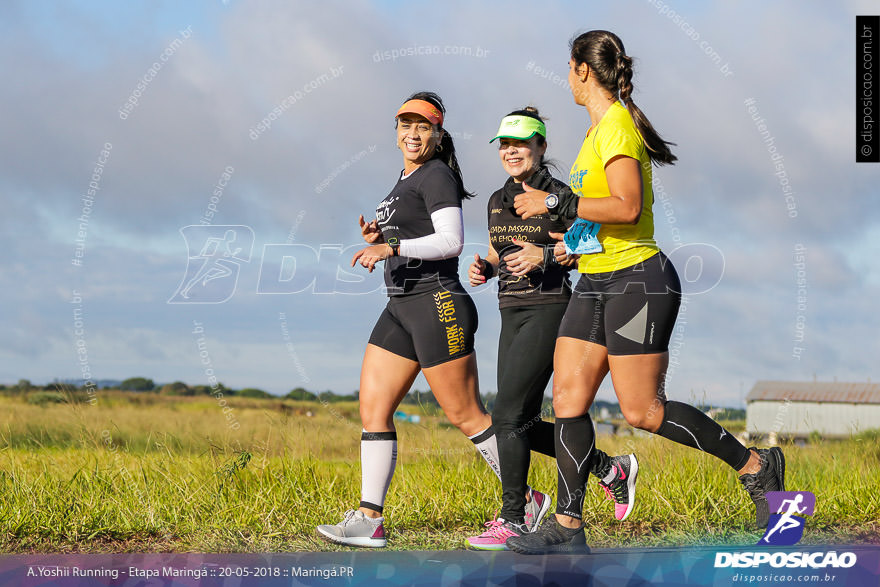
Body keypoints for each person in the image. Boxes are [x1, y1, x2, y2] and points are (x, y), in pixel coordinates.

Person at [505, 31, 785, 554]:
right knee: (567, 398)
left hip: (638, 280)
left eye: (568, 68)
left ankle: (756, 467)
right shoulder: (593, 137)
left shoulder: (617, 129)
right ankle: (568, 527)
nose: (567, 77)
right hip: (594, 279)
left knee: (642, 412)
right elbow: (597, 219)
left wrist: (554, 204)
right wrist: (565, 242)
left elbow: (627, 207)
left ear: (582, 71)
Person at [316, 91, 526, 548]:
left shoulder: (437, 175)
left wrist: (390, 247)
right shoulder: (403, 180)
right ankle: (370, 518)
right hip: (400, 305)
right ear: (395, 133)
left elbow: (450, 242)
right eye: (406, 125)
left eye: (423, 126)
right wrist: (382, 234)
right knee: (373, 409)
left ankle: (523, 502)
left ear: (437, 133)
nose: (413, 133)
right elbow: (417, 233)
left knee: (465, 414)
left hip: (437, 303)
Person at [465, 107, 638, 551]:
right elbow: (494, 247)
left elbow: (589, 247)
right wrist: (484, 264)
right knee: (517, 420)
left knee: (505, 414)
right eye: (505, 144)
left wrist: (544, 257)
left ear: (541, 147)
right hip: (510, 310)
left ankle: (514, 518)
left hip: (551, 308)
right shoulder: (496, 198)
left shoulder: (560, 194)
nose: (511, 151)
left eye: (521, 143)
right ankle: (608, 468)